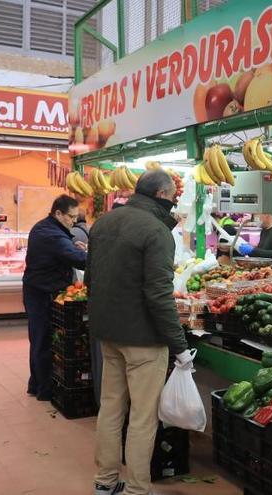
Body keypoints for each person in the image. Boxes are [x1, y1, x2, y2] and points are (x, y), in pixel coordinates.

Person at [86, 169, 190, 495]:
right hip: (144, 340)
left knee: (111, 408)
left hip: (108, 333)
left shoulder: (103, 223)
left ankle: (104, 482)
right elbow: (159, 295)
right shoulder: (157, 231)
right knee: (143, 419)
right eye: (174, 195)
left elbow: (91, 279)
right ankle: (136, 489)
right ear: (161, 195)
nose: (176, 201)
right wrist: (180, 347)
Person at [22, 195, 88, 401]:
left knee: (38, 339)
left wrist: (72, 247)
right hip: (42, 293)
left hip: (38, 289)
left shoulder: (48, 228)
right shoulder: (51, 234)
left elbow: (63, 252)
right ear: (58, 213)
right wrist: (94, 255)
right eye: (71, 217)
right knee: (42, 339)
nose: (74, 221)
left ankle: (36, 384)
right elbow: (78, 261)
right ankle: (44, 390)